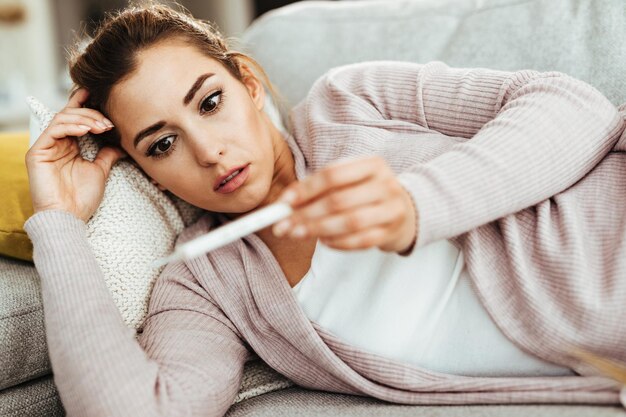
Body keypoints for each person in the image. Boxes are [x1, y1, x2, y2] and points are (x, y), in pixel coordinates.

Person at [23, 3, 626, 416]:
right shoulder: (206, 282)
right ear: (142, 169)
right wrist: (58, 223)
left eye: (209, 103)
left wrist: (419, 206)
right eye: (163, 143)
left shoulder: (349, 100)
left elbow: (574, 107)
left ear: (249, 84)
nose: (209, 152)